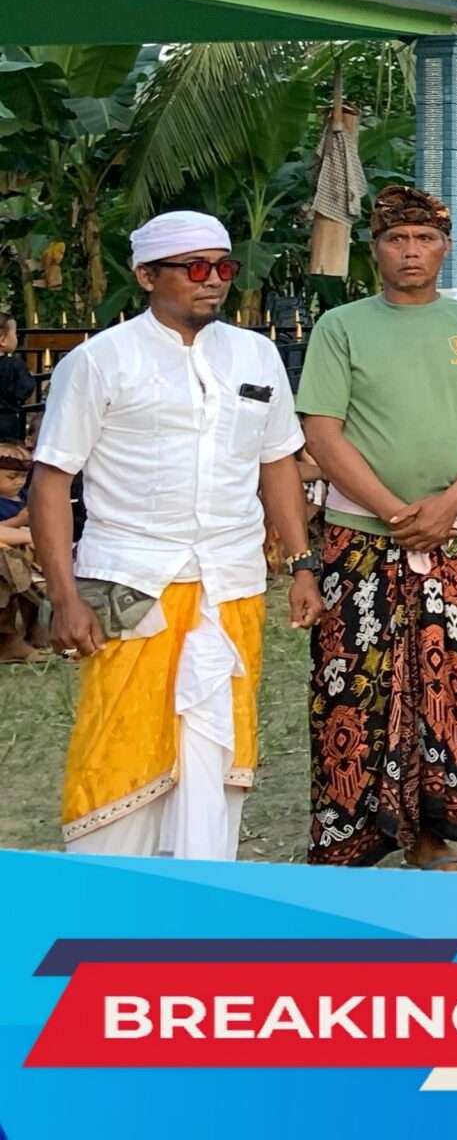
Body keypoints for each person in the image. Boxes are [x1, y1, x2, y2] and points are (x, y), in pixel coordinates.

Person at [32, 211, 315, 857]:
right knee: (119, 747)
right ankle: (107, 905)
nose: (212, 281)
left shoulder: (255, 353)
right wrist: (67, 597)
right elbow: (51, 482)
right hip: (133, 582)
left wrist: (302, 563)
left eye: (223, 267)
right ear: (145, 275)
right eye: (194, 268)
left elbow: (278, 463)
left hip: (231, 581)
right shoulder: (98, 362)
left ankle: (198, 900)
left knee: (218, 751)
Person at [297, 185, 457, 870]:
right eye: (398, 240)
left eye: (424, 239)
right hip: (359, 538)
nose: (411, 251)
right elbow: (322, 432)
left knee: (446, 684)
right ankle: (351, 841)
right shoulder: (342, 327)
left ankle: (428, 835)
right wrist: (395, 513)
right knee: (352, 686)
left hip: (456, 536)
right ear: (376, 251)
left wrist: (449, 504)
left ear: (445, 247)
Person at [0, 444, 37, 663]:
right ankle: (10, 641)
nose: (18, 482)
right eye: (11, 476)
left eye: (23, 476)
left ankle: (36, 635)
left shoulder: (23, 496)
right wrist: (21, 526)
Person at [0, 311, 36, 444]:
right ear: (3, 340)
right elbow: (26, 387)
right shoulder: (14, 365)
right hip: (6, 420)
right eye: (14, 334)